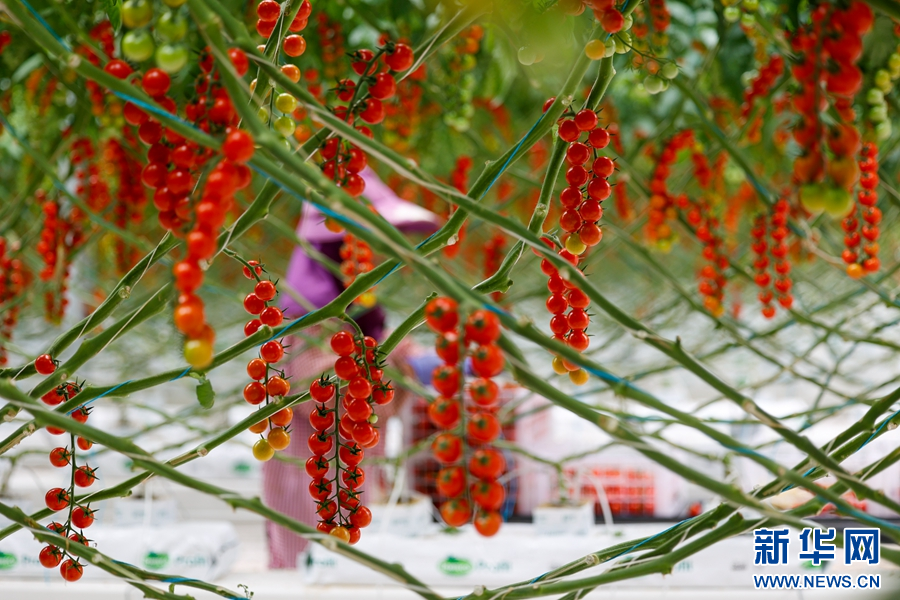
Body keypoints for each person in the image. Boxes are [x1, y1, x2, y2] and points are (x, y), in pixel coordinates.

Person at [262, 168, 440, 568]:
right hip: (313, 494)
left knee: (349, 568)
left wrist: (423, 360)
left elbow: (375, 354)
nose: (377, 258)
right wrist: (400, 362)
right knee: (314, 573)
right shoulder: (303, 321)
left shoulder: (353, 313)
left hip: (352, 487)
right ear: (336, 251)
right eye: (367, 247)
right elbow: (329, 390)